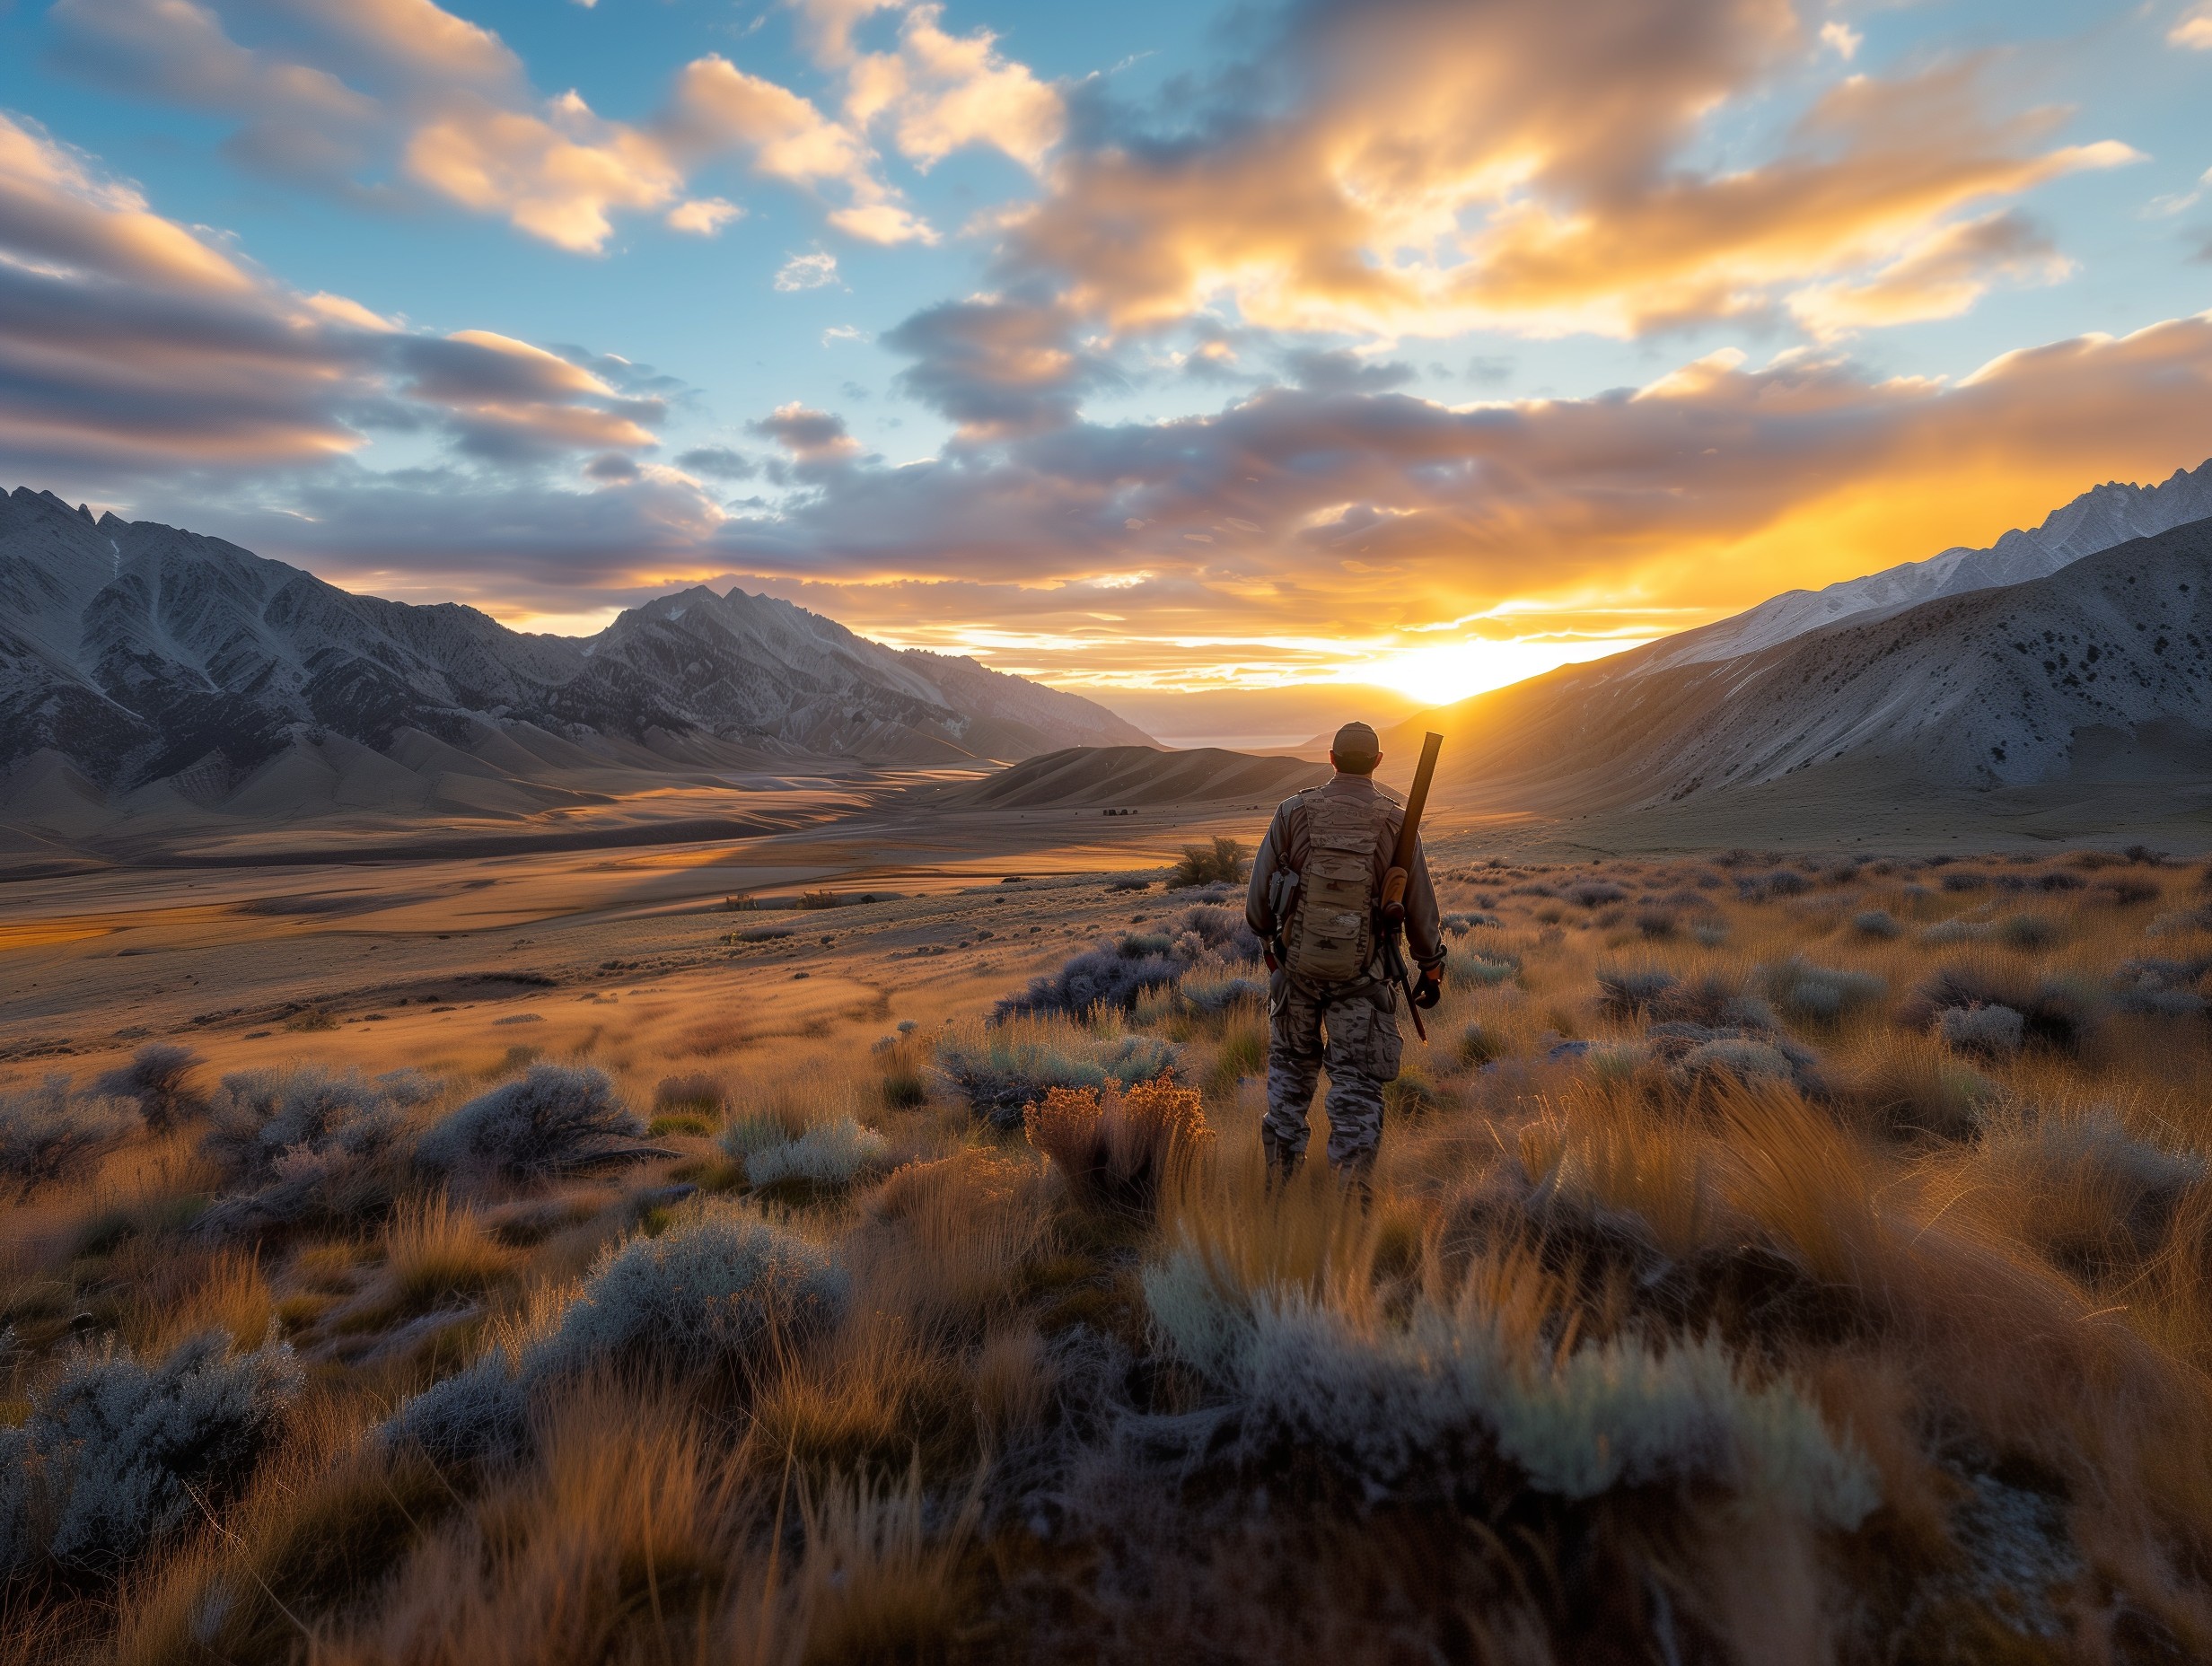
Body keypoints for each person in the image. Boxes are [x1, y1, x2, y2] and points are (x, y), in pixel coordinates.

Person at [1245, 720, 1444, 1190]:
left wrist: (1275, 951)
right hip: (1364, 982)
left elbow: (1257, 906)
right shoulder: (1398, 821)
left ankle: (1278, 1193)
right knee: (1356, 1090)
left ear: (1331, 759)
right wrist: (1431, 967)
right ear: (1377, 763)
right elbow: (1420, 910)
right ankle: (1351, 1210)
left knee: (1289, 1087)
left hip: (1295, 977)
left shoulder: (1292, 812)